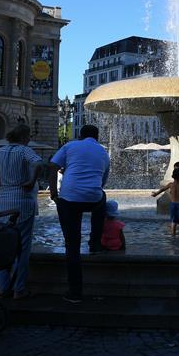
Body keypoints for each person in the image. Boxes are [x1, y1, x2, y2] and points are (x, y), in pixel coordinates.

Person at [0, 123, 42, 299]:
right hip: (23, 203)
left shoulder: (1, 151)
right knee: (23, 248)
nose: (29, 140)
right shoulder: (23, 150)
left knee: (3, 245)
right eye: (28, 137)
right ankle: (19, 289)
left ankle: (4, 286)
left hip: (4, 203)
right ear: (23, 138)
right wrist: (30, 181)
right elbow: (38, 163)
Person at [48, 124, 110, 304]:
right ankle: (95, 241)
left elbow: (52, 166)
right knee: (102, 198)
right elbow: (103, 180)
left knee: (72, 245)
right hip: (93, 199)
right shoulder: (103, 152)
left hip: (68, 200)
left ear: (81, 136)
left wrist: (53, 193)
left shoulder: (70, 146)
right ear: (97, 137)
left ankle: (75, 291)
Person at [152, 162, 179, 236]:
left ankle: (173, 234)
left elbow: (162, 189)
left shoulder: (170, 185)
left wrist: (156, 193)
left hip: (173, 204)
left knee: (173, 221)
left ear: (172, 176)